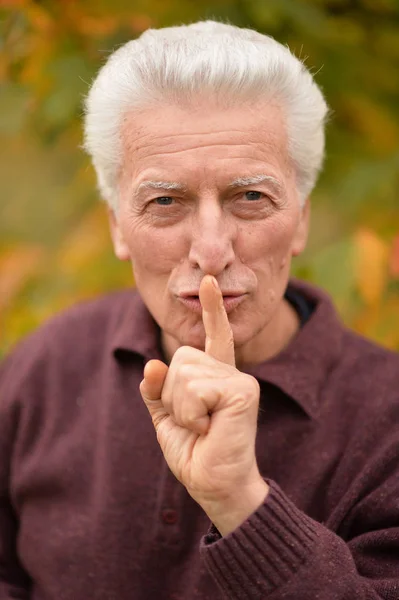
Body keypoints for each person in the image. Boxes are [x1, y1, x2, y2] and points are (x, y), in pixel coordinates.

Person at [0, 20, 398, 600]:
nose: (211, 251)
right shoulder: (47, 366)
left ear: (302, 220)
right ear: (117, 226)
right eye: (165, 201)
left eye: (250, 198)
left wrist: (241, 502)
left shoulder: (387, 418)